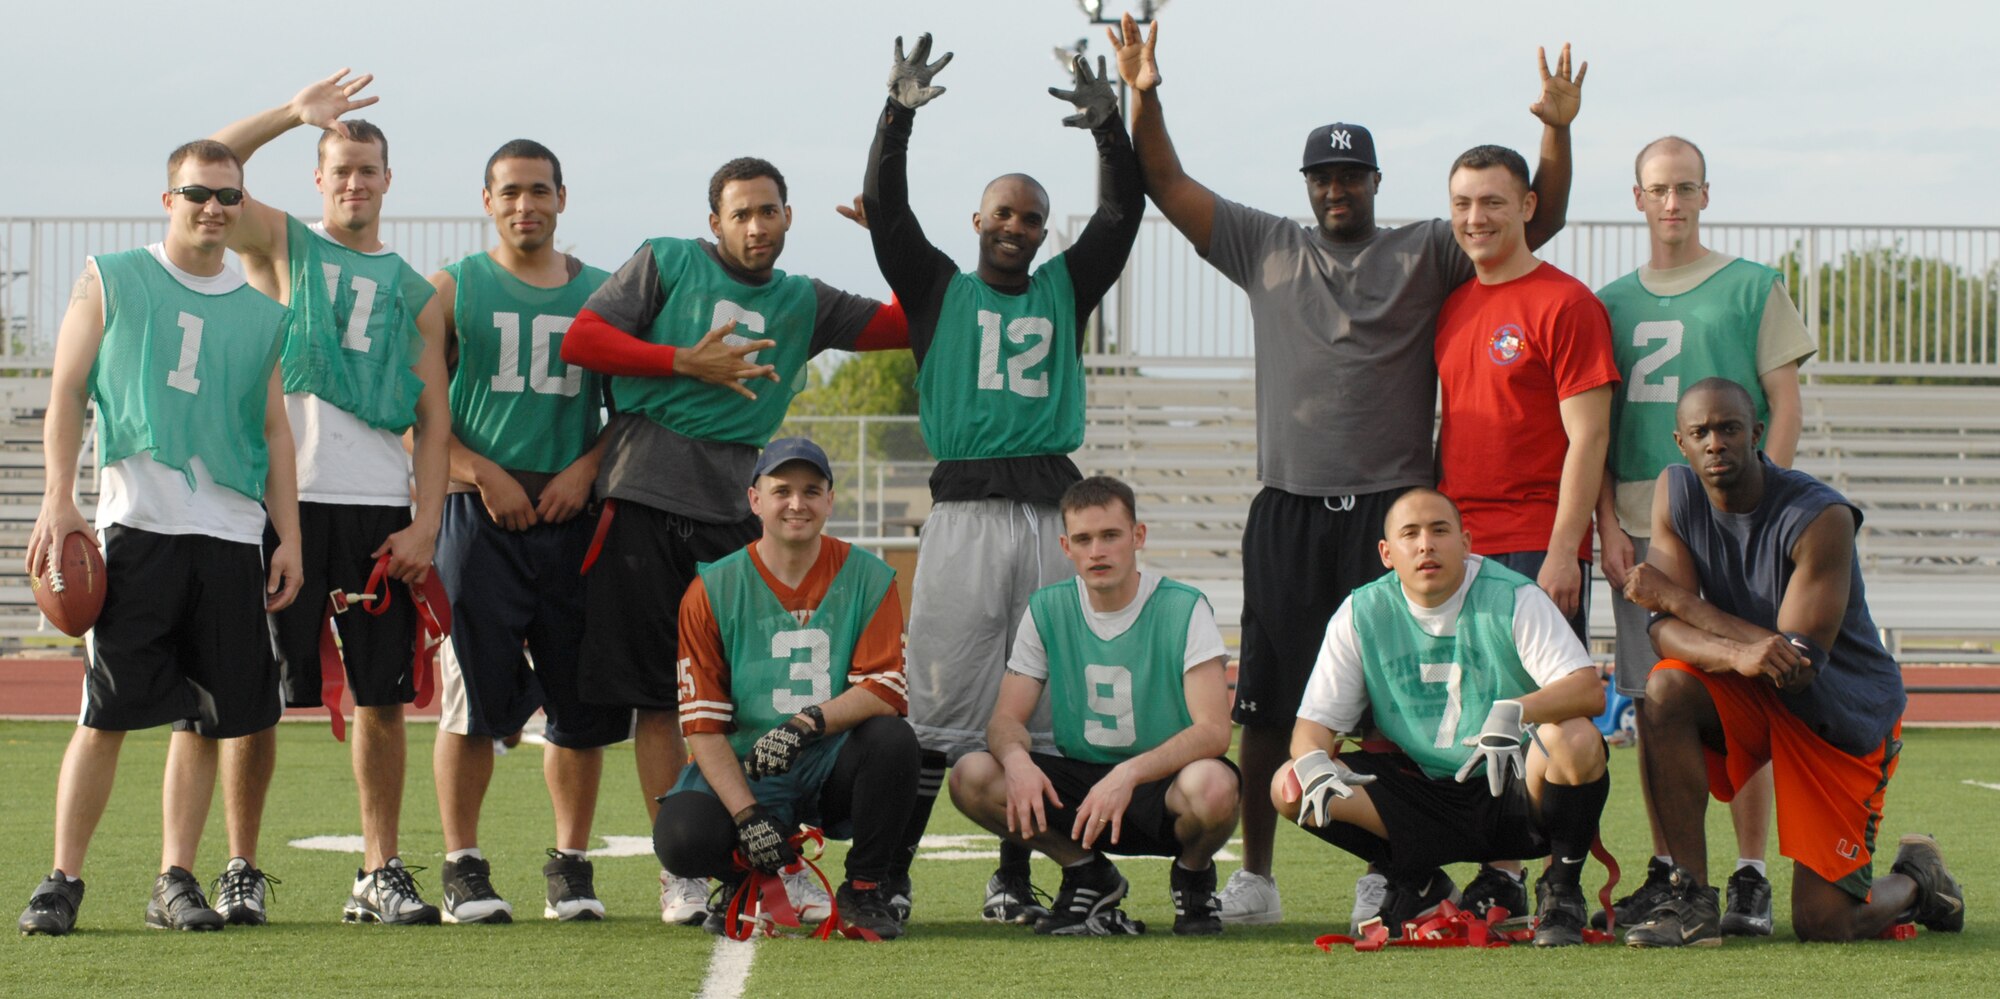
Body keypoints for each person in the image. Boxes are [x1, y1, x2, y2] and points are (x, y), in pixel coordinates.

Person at [1107, 14, 1586, 926]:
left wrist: (1555, 134)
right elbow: (1165, 181)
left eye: (1351, 175)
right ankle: (1256, 874)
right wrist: (1144, 95)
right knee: (1268, 704)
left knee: (1390, 700)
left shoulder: (1426, 249)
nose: (1336, 188)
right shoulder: (1264, 243)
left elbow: (1541, 215)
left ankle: (1391, 864)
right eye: (1322, 177)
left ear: (1374, 183)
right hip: (1288, 508)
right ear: (1308, 186)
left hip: (1389, 513)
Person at [560, 157, 905, 924]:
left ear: (789, 217)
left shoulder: (804, 299)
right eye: (741, 213)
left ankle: (762, 836)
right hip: (643, 492)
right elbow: (581, 339)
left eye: (769, 210)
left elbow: (905, 323)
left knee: (744, 691)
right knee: (658, 696)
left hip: (734, 507)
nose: (756, 225)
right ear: (714, 221)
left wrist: (892, 240)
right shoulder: (667, 260)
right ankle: (680, 866)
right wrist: (685, 359)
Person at [858, 32, 1144, 924]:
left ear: (1042, 230)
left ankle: (1016, 873)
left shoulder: (1065, 287)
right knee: (938, 698)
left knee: (1043, 703)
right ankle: (890, 871)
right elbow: (887, 211)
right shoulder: (937, 288)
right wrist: (896, 115)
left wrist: (1110, 130)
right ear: (978, 221)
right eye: (1003, 214)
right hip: (967, 516)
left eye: (1031, 217)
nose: (1016, 227)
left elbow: (1121, 216)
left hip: (1053, 514)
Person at [16, 141, 302, 935]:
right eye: (198, 192)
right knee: (104, 713)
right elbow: (67, 388)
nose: (213, 207)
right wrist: (59, 497)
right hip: (137, 524)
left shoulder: (262, 312)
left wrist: (288, 536)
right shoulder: (112, 275)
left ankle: (174, 878)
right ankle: (62, 878)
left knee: (205, 720)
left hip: (231, 530)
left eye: (228, 196)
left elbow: (276, 430)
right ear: (168, 198)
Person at [211, 70, 453, 924]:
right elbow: (208, 168)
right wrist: (289, 114)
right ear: (319, 178)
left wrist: (426, 523)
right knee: (255, 696)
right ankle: (240, 866)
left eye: (367, 170)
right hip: (281, 504)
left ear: (389, 180)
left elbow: (434, 419)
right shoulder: (284, 246)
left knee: (383, 699)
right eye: (340, 169)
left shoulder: (416, 293)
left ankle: (378, 868)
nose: (354, 183)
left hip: (378, 510)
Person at [1617, 377, 1963, 946]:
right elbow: (1664, 634)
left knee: (1824, 922)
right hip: (1753, 691)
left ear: (1756, 433)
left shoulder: (1821, 516)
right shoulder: (1674, 492)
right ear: (1681, 442)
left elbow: (1794, 668)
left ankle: (1919, 881)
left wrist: (1679, 599)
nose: (1714, 443)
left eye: (1729, 429)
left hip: (1836, 714)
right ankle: (1691, 900)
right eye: (1700, 433)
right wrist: (1737, 652)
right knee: (1666, 688)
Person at [1592, 136, 1817, 936]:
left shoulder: (1752, 285)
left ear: (1706, 194)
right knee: (1656, 703)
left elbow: (1784, 403)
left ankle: (1750, 872)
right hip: (1641, 529)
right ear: (1638, 198)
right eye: (1659, 189)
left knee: (1741, 698)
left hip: (1731, 527)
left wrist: (1759, 511)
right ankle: (1673, 869)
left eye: (1686, 187)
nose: (1673, 202)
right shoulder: (1609, 302)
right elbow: (1597, 427)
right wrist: (1604, 527)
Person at [426, 139, 628, 924]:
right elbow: (413, 417)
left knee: (579, 701)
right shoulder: (452, 288)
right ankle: (463, 864)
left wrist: (586, 469)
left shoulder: (605, 291)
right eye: (509, 191)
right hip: (476, 516)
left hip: (574, 516)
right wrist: (483, 473)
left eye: (539, 190)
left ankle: (570, 863)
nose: (525, 205)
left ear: (562, 198)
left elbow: (637, 412)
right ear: (487, 201)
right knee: (469, 700)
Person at [1277, 488, 1611, 947]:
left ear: (1466, 542)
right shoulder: (1361, 611)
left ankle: (1562, 891)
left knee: (1576, 740)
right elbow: (1312, 727)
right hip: (1422, 790)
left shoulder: (1513, 595)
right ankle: (1419, 882)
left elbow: (1587, 688)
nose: (1426, 545)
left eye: (1439, 531)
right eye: (1410, 534)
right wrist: (1313, 760)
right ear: (1386, 553)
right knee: (1291, 785)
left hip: (1509, 783)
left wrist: (1515, 711)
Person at [948, 476, 1239, 937]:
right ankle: (1086, 871)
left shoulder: (1184, 607)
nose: (1097, 551)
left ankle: (1193, 874)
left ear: (1138, 536)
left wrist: (1129, 774)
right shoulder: (1048, 608)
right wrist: (1017, 760)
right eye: (1083, 539)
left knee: (1215, 785)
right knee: (972, 774)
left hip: (1162, 788)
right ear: (1066, 546)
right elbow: (1005, 720)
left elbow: (1214, 731)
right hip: (1082, 785)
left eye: (1110, 535)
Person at [652, 438, 917, 941]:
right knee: (682, 836)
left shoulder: (869, 576)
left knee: (894, 741)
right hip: (745, 761)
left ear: (830, 500)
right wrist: (747, 815)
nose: (797, 503)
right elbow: (703, 724)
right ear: (755, 500)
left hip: (826, 761)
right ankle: (742, 876)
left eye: (811, 491)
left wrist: (807, 723)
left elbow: (885, 688)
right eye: (782, 491)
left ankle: (864, 889)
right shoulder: (712, 589)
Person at [1436, 143, 1615, 647]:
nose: (1475, 218)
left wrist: (1563, 550)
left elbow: (1590, 436)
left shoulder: (1568, 303)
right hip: (1460, 544)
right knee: (1465, 694)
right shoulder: (1451, 307)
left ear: (1528, 206)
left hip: (1536, 542)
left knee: (1547, 696)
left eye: (1492, 202)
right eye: (1462, 204)